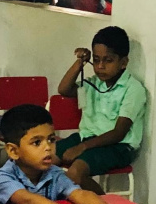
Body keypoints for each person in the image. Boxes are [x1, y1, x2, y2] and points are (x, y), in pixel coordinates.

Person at [55, 26, 148, 193]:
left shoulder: (133, 89)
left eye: (108, 60)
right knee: (42, 159)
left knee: (75, 173)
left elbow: (119, 133)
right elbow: (63, 89)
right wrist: (80, 63)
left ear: (123, 63)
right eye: (96, 60)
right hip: (87, 138)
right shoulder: (93, 83)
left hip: (119, 146)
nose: (100, 66)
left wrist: (82, 147)